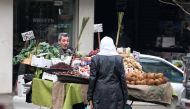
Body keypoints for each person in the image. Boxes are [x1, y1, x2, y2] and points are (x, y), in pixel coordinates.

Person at [87, 36, 128, 109]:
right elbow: (122, 79)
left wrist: (89, 97)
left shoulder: (95, 59)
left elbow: (92, 79)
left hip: (100, 93)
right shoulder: (119, 59)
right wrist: (125, 96)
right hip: (116, 93)